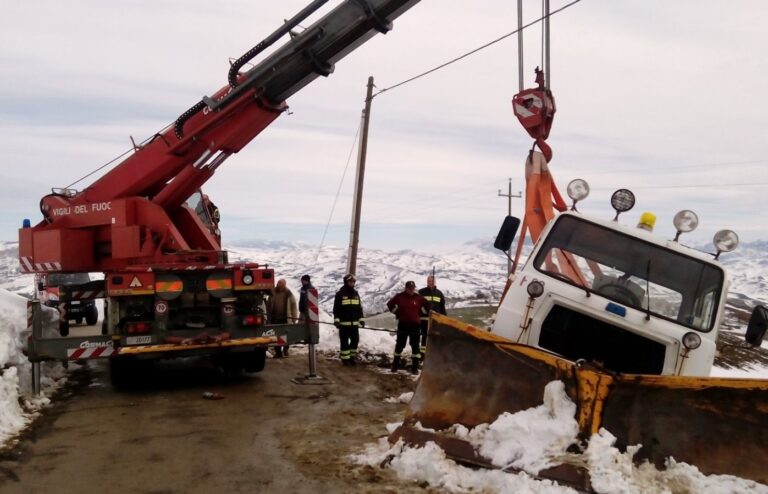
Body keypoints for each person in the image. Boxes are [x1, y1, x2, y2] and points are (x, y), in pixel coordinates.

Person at [387, 281, 428, 374]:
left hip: (415, 326)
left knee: (415, 348)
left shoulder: (419, 298)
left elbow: (428, 306)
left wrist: (421, 313)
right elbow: (390, 305)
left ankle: (415, 368)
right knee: (399, 346)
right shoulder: (399, 296)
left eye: (413, 288)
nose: (411, 290)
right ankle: (394, 366)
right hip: (403, 325)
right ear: (406, 288)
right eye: (409, 288)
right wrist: (397, 313)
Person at [333, 274, 363, 366]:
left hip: (354, 324)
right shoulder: (340, 294)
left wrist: (361, 319)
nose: (352, 283)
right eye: (350, 281)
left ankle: (352, 357)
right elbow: (336, 308)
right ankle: (345, 359)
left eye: (353, 281)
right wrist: (337, 320)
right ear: (346, 282)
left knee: (355, 341)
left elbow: (359, 308)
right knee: (344, 342)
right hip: (344, 324)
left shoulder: (356, 294)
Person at [267, 278, 298, 358]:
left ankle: (285, 349)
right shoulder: (273, 292)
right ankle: (278, 352)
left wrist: (294, 318)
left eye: (280, 284)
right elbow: (268, 304)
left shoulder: (288, 293)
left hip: (286, 318)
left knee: (286, 335)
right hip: (275, 318)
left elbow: (294, 305)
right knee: (276, 336)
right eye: (278, 283)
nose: (278, 285)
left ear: (284, 285)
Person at [418, 275, 446, 356]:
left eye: (432, 281)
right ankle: (422, 354)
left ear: (435, 282)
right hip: (424, 319)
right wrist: (425, 312)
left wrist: (444, 319)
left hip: (435, 320)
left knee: (435, 336)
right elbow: (418, 306)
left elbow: (442, 307)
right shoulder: (421, 292)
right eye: (429, 281)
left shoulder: (439, 293)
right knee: (424, 336)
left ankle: (434, 353)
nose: (430, 283)